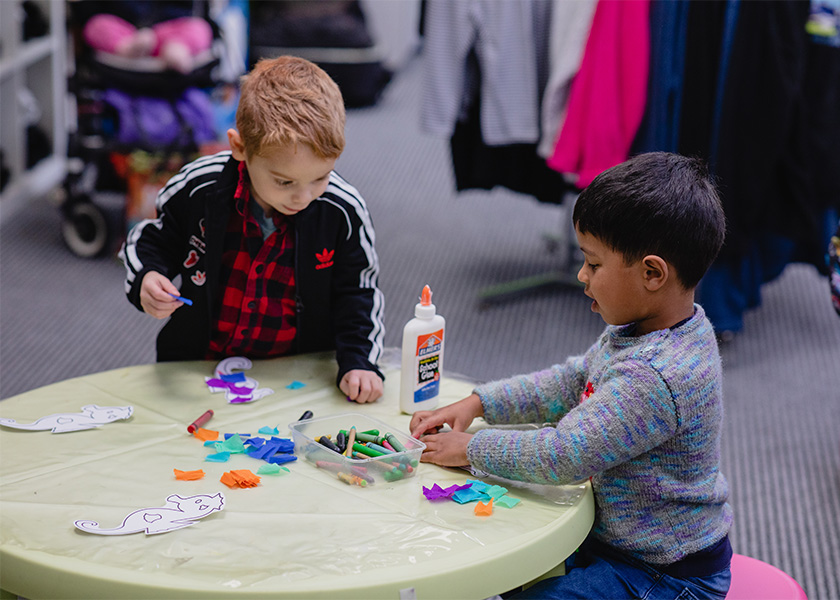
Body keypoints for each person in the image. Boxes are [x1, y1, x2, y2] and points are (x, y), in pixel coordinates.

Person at [410, 152, 733, 599]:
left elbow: (564, 455)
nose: (581, 276)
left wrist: (472, 446)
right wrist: (480, 403)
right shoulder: (640, 330)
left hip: (664, 574)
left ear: (652, 273)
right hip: (614, 542)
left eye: (594, 264)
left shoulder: (657, 375)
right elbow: (571, 380)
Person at [119, 56, 385, 403]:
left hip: (297, 372)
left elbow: (359, 292)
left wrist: (360, 362)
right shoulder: (198, 187)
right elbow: (154, 240)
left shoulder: (342, 209)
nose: (303, 197)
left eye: (320, 177)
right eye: (284, 181)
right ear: (240, 148)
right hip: (199, 365)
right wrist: (148, 277)